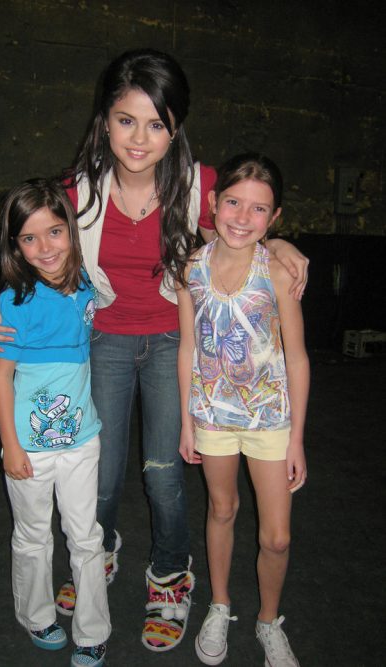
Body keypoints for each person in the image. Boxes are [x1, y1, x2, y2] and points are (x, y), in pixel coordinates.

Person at [0, 49, 309, 653]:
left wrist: (285, 245)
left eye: (156, 123)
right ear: (104, 121)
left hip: (172, 342)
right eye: (126, 120)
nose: (139, 139)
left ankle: (169, 574)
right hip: (102, 339)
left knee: (164, 473)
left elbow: (245, 225)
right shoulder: (75, 193)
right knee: (102, 473)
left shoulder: (201, 186)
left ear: (175, 128)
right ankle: (99, 549)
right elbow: (34, 249)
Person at [177, 152, 309, 666]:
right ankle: (220, 603)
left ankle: (268, 621)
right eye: (233, 202)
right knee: (222, 509)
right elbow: (188, 347)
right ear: (212, 203)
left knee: (276, 537)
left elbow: (297, 357)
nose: (242, 217)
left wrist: (296, 437)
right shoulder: (192, 267)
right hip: (212, 415)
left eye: (259, 209)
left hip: (269, 419)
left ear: (274, 218)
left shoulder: (277, 270)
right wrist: (186, 420)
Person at [0, 178, 111, 667]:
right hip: (29, 449)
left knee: (87, 537)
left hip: (82, 442)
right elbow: (2, 380)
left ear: (71, 231)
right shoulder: (13, 305)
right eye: (29, 238)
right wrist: (11, 446)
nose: (45, 248)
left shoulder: (87, 286)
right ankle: (37, 615)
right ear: (15, 245)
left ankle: (93, 630)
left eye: (55, 232)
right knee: (33, 535)